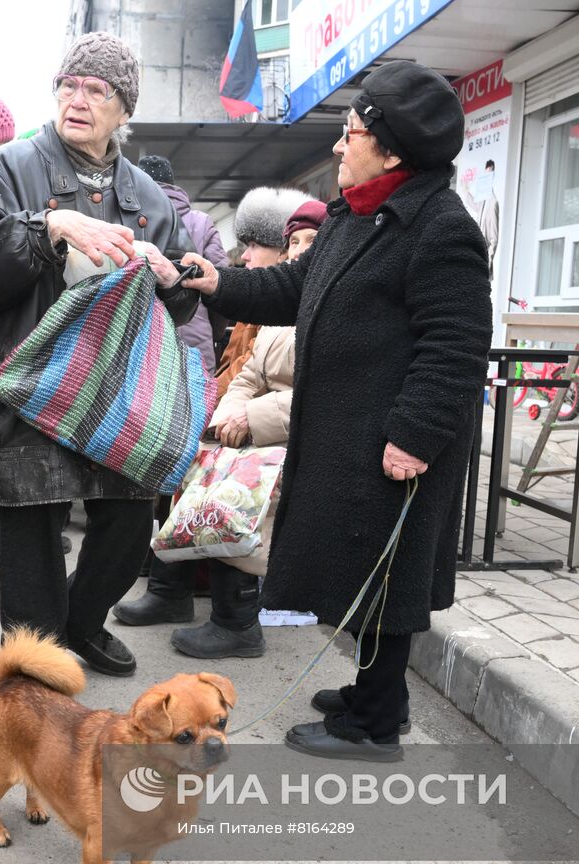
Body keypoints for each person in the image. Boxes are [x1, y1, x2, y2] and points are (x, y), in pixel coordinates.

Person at [165, 61, 492, 760]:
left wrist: (415, 435)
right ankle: (383, 696)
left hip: (392, 439)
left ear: (392, 148)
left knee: (385, 576)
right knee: (360, 569)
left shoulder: (438, 227)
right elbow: (293, 286)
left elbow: (457, 344)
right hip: (349, 432)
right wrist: (217, 279)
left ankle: (372, 727)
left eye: (350, 133)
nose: (340, 147)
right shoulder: (360, 213)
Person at [0, 31, 199, 677]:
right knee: (33, 524)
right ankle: (36, 667)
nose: (78, 99)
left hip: (115, 386)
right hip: (27, 375)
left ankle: (82, 624)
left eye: (97, 90)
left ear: (124, 110)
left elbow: (176, 304)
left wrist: (173, 279)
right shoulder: (8, 168)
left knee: (127, 517)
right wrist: (47, 228)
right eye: (70, 85)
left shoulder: (149, 196)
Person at [116, 203, 324, 656]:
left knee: (235, 494)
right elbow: (248, 374)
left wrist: (250, 419)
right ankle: (170, 592)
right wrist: (221, 422)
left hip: (300, 439)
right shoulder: (283, 311)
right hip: (258, 429)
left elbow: (323, 391)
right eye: (294, 243)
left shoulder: (324, 306)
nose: (298, 254)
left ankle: (237, 624)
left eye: (312, 243)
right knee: (192, 468)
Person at [213, 186, 317, 397]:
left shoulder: (283, 311)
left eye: (253, 245)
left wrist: (203, 405)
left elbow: (245, 371)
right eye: (295, 241)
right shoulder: (249, 309)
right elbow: (230, 367)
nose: (244, 256)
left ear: (282, 251)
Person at [138, 155, 230, 373]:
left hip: (140, 342)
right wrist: (214, 332)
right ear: (172, 184)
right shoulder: (201, 221)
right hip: (195, 340)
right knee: (195, 404)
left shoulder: (126, 220)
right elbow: (222, 282)